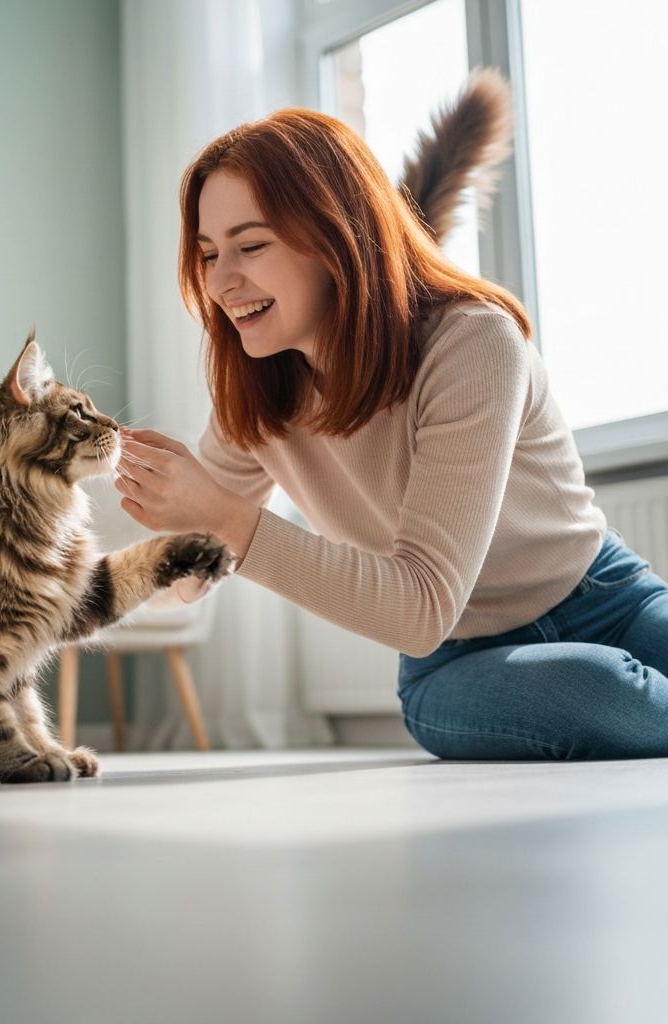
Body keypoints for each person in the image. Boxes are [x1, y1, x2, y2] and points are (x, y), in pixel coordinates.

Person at [113, 102, 668, 761]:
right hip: (454, 659)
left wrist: (230, 522)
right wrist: (167, 542)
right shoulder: (257, 393)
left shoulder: (472, 342)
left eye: (251, 245)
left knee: (615, 679)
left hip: (608, 599)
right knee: (600, 691)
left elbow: (419, 598)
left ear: (334, 236)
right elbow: (184, 588)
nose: (221, 281)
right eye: (207, 254)